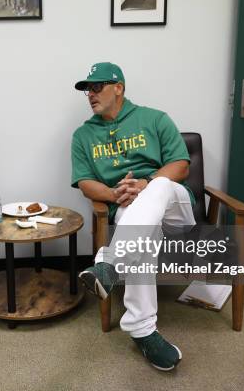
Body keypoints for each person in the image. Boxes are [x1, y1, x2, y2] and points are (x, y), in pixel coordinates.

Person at [71, 62, 195, 371]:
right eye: (87, 89)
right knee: (135, 221)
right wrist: (115, 194)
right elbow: (86, 183)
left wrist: (145, 184)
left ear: (119, 88)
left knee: (161, 185)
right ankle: (143, 330)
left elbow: (180, 165)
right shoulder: (83, 136)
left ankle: (110, 264)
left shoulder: (153, 119)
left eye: (97, 86)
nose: (90, 94)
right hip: (129, 212)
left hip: (175, 210)